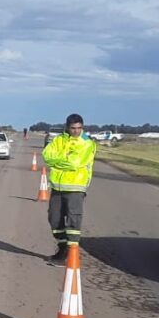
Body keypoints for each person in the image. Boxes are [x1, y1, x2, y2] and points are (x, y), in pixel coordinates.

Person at [42, 113, 97, 263]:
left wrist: (56, 161)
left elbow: (74, 163)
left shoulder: (86, 143)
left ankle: (71, 252)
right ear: (67, 127)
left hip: (76, 186)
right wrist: (62, 160)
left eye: (79, 128)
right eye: (73, 128)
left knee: (73, 219)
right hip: (57, 187)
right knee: (54, 218)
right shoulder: (58, 139)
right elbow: (46, 156)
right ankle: (62, 247)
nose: (76, 131)